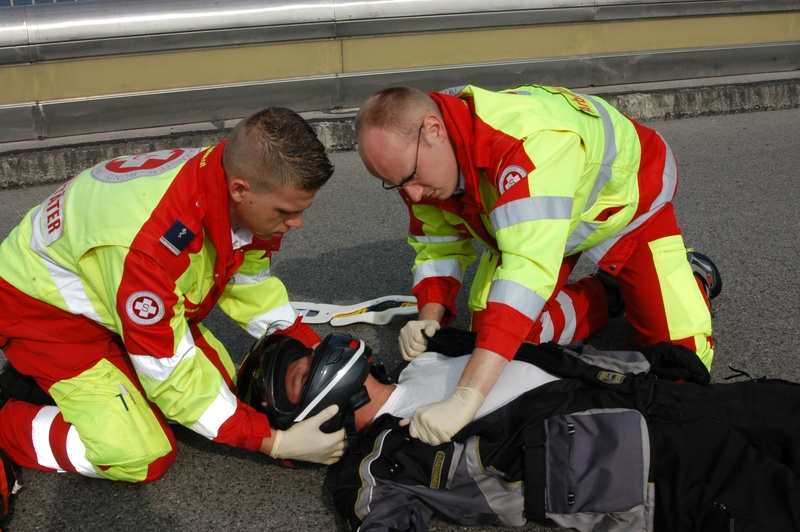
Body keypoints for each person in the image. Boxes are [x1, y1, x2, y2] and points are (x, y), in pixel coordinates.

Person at [354, 84, 722, 446]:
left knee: (683, 364)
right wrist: (430, 316)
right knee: (500, 344)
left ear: (434, 129)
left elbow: (524, 276)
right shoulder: (423, 158)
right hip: (531, 222)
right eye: (396, 185)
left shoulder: (527, 145)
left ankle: (693, 277)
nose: (412, 195)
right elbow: (437, 243)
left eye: (410, 178)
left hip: (626, 204)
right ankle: (609, 293)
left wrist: (466, 398)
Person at [0, 106, 347, 485]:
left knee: (225, 392)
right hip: (44, 313)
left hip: (104, 282)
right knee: (141, 455)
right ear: (240, 190)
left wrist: (308, 346)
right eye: (286, 211)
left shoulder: (230, 176)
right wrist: (273, 441)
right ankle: (8, 416)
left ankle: (107, 384)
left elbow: (249, 280)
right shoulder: (152, 248)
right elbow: (170, 375)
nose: (296, 223)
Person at [239, 329, 800, 531]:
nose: (309, 359)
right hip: (654, 470)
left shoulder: (427, 356)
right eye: (295, 375)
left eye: (304, 354)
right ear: (306, 417)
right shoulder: (380, 465)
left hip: (666, 397)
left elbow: (526, 327)